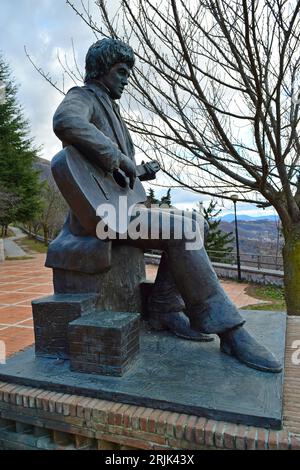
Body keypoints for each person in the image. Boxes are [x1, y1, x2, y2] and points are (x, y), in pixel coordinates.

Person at [52, 38, 282, 373]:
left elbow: (112, 174)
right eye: (121, 71)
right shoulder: (83, 97)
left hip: (120, 210)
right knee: (185, 230)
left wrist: (138, 170)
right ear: (102, 71)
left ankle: (164, 307)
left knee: (195, 223)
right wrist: (116, 156)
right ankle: (229, 330)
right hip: (100, 219)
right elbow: (65, 121)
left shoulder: (109, 108)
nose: (126, 78)